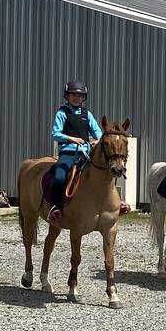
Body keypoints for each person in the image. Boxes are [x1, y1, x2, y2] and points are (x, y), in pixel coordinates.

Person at [48, 80, 102, 225]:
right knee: (59, 177)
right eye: (73, 95)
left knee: (104, 172)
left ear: (83, 97)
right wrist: (71, 139)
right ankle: (55, 206)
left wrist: (98, 141)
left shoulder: (87, 114)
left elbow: (98, 132)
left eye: (80, 95)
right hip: (68, 153)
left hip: (86, 153)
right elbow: (55, 133)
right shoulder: (62, 113)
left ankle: (110, 204)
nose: (77, 98)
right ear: (67, 96)